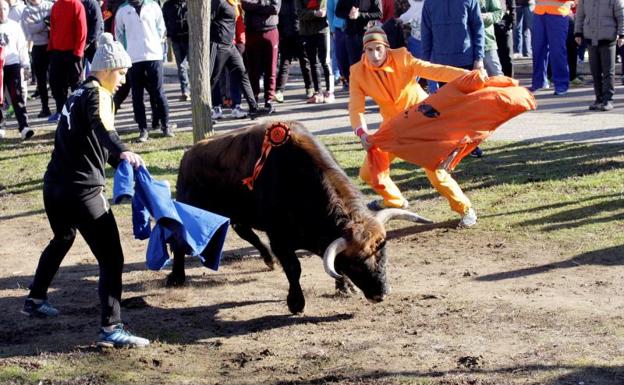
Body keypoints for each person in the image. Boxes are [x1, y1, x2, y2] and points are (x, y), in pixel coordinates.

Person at [22, 32, 150, 348]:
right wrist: (122, 151)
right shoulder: (98, 96)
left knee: (63, 236)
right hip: (82, 191)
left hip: (54, 187)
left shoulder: (77, 93)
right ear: (107, 69)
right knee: (112, 258)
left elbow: (87, 139)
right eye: (121, 73)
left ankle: (35, 299)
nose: (122, 80)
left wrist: (114, 156)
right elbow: (103, 128)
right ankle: (111, 329)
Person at [349, 27, 478, 227]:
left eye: (379, 49)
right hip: (393, 128)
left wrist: (468, 76)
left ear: (386, 48)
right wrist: (362, 132)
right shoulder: (357, 72)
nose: (375, 55)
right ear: (363, 52)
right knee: (368, 172)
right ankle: (394, 201)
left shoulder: (402, 58)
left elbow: (434, 70)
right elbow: (356, 108)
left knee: (436, 174)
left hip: (422, 122)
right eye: (370, 50)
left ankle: (465, 209)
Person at [421, 0, 485, 157]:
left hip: (466, 61)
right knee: (448, 109)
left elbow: (478, 27)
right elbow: (426, 31)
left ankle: (471, 145)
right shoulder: (430, 3)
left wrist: (479, 57)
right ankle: (453, 145)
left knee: (468, 107)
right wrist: (426, 63)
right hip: (442, 65)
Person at [115, 0, 175, 142]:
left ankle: (166, 125)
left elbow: (161, 28)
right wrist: (126, 51)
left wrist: (155, 43)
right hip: (133, 58)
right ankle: (143, 129)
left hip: (154, 55)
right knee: (137, 95)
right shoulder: (122, 10)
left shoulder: (153, 6)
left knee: (159, 92)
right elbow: (118, 33)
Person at [574, 0, 624, 111]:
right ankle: (599, 99)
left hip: (608, 39)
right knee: (595, 71)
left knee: (608, 72)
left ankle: (608, 100)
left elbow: (621, 15)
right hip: (591, 39)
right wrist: (578, 32)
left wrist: (621, 34)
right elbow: (580, 15)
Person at [47, 0, 87, 124]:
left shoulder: (76, 5)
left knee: (77, 84)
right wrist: (51, 47)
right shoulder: (56, 6)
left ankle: (79, 111)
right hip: (57, 51)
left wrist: (79, 51)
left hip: (73, 52)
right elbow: (53, 28)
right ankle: (61, 110)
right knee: (56, 83)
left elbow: (82, 29)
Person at [241, 0, 281, 114]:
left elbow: (275, 9)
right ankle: (254, 101)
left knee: (271, 68)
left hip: (270, 31)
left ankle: (269, 100)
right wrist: (264, 5)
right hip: (252, 31)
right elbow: (245, 4)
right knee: (253, 69)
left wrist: (256, 4)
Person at [0, 0, 32, 140]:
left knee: (16, 95)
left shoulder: (14, 26)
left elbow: (22, 47)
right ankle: (1, 126)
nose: (2, 12)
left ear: (8, 9)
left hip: (13, 65)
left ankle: (24, 126)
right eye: (0, 9)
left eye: (4, 9)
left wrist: (26, 65)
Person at [295, 0, 335, 104]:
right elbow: (300, 13)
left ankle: (329, 92)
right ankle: (318, 92)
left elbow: (324, 10)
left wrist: (315, 13)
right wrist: (314, 13)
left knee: (325, 62)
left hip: (322, 30)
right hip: (307, 32)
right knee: (313, 63)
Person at [530, 0, 572, 95]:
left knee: (557, 51)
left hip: (559, 13)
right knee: (537, 49)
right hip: (539, 13)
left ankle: (561, 84)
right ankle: (539, 82)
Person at [21, 0, 53, 118]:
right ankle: (45, 107)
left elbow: (54, 23)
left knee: (55, 78)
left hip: (52, 45)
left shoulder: (49, 6)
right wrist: (45, 23)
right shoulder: (26, 11)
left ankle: (61, 107)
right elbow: (30, 30)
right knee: (41, 80)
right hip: (37, 47)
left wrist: (38, 24)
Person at [162, 0, 190, 101]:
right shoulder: (167, 5)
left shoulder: (189, 3)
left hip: (189, 38)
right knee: (181, 66)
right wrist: (168, 34)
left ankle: (194, 89)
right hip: (176, 38)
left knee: (193, 65)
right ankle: (185, 91)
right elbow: (163, 21)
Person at [480, 0, 504, 76]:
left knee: (496, 75)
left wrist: (485, 17)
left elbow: (498, 12)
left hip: (486, 41)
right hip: (463, 44)